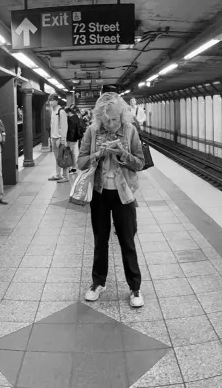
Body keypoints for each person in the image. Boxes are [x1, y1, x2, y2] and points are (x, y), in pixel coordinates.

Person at [77, 92, 149, 308]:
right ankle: (98, 282)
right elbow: (80, 162)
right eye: (106, 119)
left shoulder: (130, 130)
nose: (111, 123)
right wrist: (96, 155)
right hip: (99, 193)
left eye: (115, 119)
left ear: (122, 115)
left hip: (124, 194)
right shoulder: (92, 131)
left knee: (127, 240)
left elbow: (140, 163)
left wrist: (122, 154)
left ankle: (135, 287)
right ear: (100, 116)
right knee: (100, 240)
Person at [48, 98, 69, 182]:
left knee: (63, 157)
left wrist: (63, 139)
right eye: (49, 100)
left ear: (57, 101)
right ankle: (58, 174)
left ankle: (65, 176)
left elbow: (64, 126)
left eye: (52, 100)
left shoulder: (61, 111)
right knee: (57, 158)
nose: (51, 102)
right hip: (53, 137)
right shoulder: (53, 111)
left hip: (59, 138)